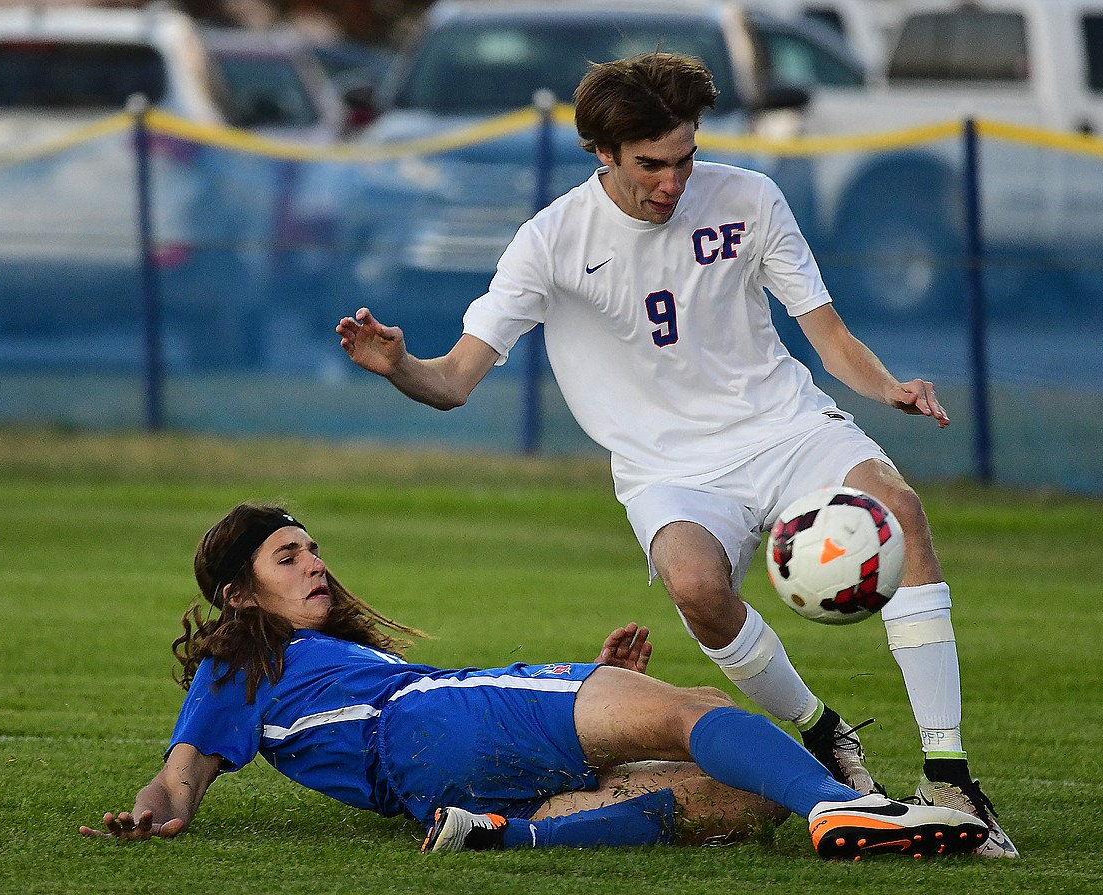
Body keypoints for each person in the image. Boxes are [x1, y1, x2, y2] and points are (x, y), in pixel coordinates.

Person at [336, 52, 1017, 857]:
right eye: (651, 164)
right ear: (603, 153)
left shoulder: (751, 197)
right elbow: (453, 380)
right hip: (671, 471)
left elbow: (828, 336)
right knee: (698, 588)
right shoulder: (550, 240)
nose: (672, 181)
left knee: (901, 508)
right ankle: (822, 731)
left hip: (786, 425)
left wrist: (887, 386)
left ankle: (951, 775)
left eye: (685, 157)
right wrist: (400, 367)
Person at [78, 503, 987, 859]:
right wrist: (159, 802)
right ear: (240, 594)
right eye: (288, 555)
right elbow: (184, 767)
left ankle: (502, 839)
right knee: (699, 708)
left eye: (315, 547)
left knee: (745, 797)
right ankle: (847, 805)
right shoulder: (243, 653)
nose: (315, 564)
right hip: (436, 718)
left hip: (431, 781)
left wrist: (599, 694)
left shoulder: (294, 666)